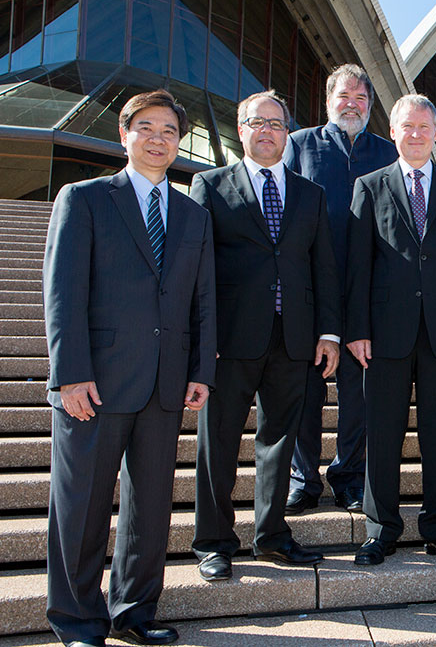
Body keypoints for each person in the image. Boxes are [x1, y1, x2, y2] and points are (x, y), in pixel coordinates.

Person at [43, 89, 215, 646]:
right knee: (82, 508)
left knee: (151, 509)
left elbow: (204, 300)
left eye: (169, 130)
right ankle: (77, 620)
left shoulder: (193, 214)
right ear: (124, 134)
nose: (158, 138)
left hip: (165, 385)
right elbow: (63, 292)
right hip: (95, 383)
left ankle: (134, 612)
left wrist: (200, 370)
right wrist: (69, 374)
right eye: (146, 127)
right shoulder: (85, 198)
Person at [191, 90, 341, 582]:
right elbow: (198, 269)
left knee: (280, 440)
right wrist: (201, 334)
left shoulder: (309, 194)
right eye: (258, 122)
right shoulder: (209, 186)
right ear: (242, 128)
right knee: (218, 440)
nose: (268, 132)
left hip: (294, 339)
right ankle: (214, 541)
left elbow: (323, 269)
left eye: (277, 124)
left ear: (287, 133)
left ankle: (272, 535)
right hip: (230, 340)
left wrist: (329, 333)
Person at [347, 94, 436, 566]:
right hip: (383, 334)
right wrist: (356, 328)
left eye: (425, 126)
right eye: (408, 126)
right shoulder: (369, 186)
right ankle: (380, 529)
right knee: (382, 434)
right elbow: (358, 265)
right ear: (393, 132)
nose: (416, 134)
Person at [284, 64, 398, 514]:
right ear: (328, 101)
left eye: (361, 99)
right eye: (344, 97)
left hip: (365, 292)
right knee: (306, 391)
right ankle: (302, 478)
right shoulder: (299, 144)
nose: (352, 105)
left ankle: (349, 476)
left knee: (360, 396)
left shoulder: (386, 152)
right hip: (310, 289)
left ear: (370, 106)